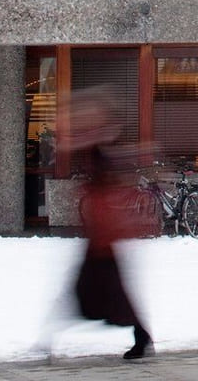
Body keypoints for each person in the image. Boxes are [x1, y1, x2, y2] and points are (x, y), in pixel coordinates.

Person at [62, 94, 154, 361]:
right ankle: (140, 335)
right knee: (99, 289)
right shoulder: (99, 146)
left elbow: (107, 184)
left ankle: (141, 336)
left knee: (103, 290)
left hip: (103, 235)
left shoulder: (105, 146)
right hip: (101, 235)